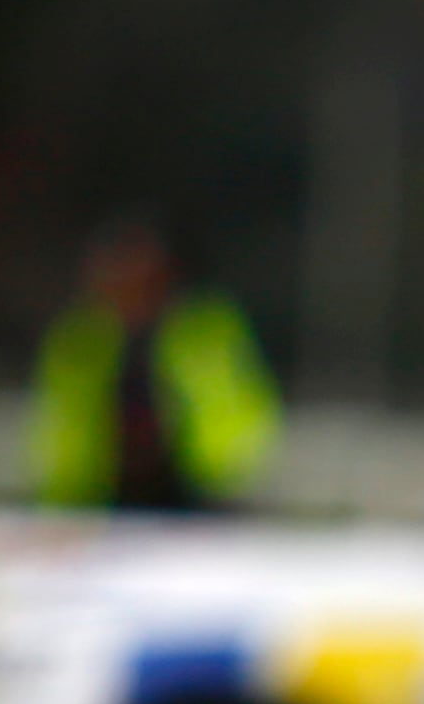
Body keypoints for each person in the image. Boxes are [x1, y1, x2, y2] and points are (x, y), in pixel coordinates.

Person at [31, 220, 282, 514]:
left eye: (136, 273)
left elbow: (236, 412)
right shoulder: (80, 340)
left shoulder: (202, 330)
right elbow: (64, 424)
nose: (126, 286)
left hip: (198, 497)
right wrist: (63, 499)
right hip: (104, 500)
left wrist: (227, 479)